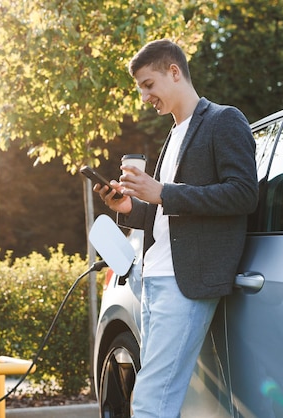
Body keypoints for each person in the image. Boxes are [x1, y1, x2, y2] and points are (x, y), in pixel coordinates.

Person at [93, 39, 258, 417]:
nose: (144, 97)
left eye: (148, 85)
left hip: (187, 281)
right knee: (158, 397)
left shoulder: (224, 120)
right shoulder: (174, 134)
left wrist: (162, 190)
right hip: (154, 277)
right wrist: (130, 207)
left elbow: (243, 194)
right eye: (140, 90)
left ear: (174, 71)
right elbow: (165, 212)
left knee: (152, 401)